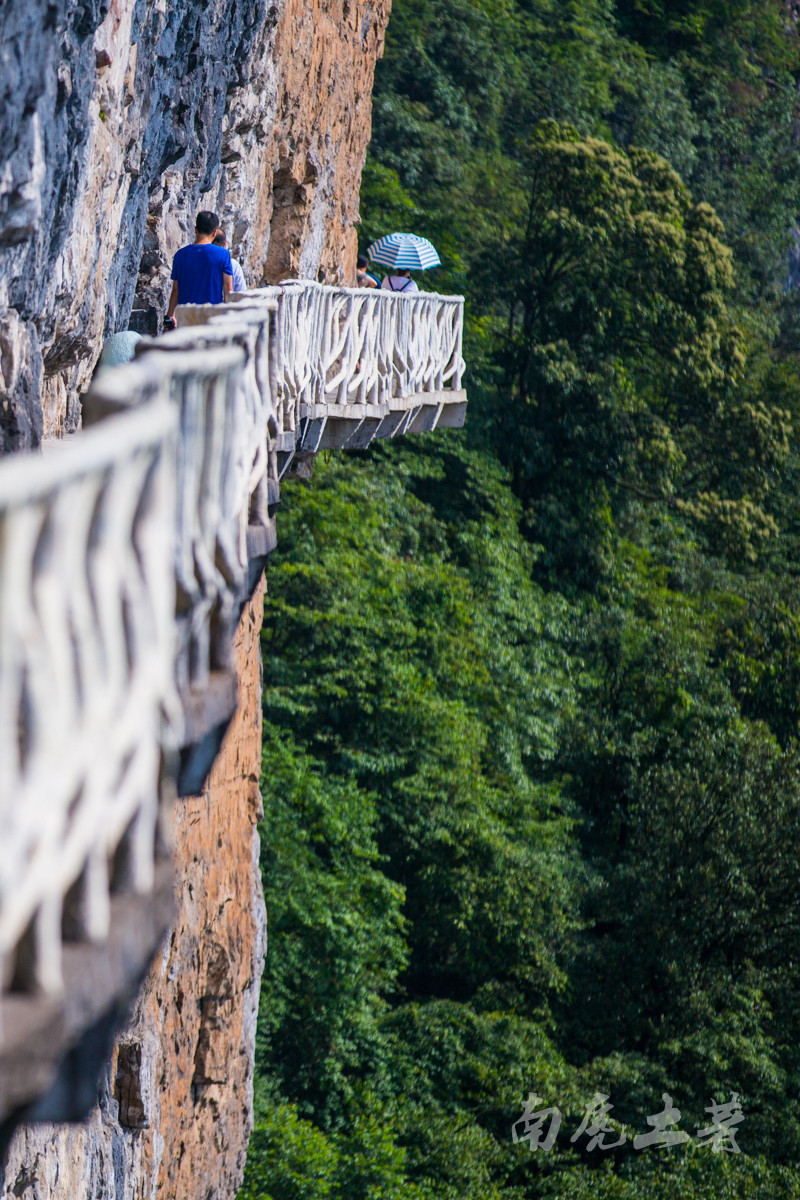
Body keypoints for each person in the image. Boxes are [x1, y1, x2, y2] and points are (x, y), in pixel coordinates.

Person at [165, 211, 233, 329]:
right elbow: (228, 289)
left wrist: (170, 315)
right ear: (215, 232)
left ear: (195, 229)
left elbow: (176, 289)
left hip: (185, 320)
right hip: (212, 320)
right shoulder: (223, 254)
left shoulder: (180, 255)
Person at [213, 229, 247, 293]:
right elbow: (242, 292)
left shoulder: (202, 262)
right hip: (228, 301)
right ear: (224, 244)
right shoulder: (234, 265)